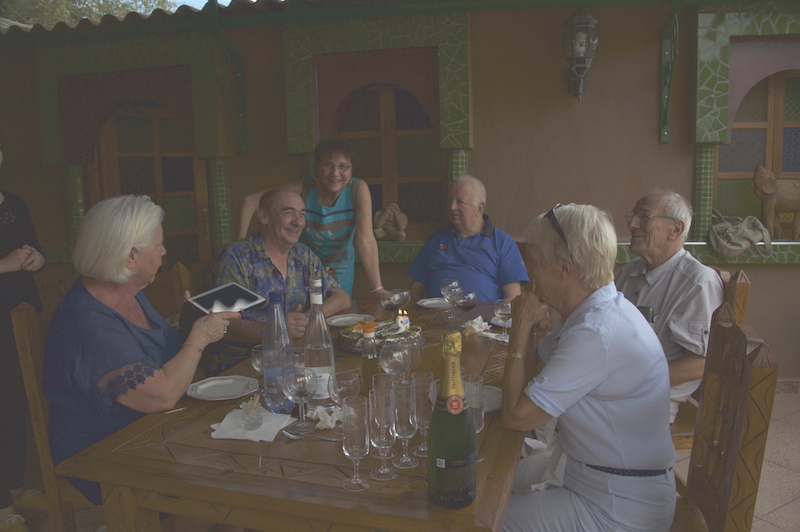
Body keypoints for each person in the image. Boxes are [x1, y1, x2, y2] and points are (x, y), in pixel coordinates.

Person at [43, 195, 239, 532]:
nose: (164, 252)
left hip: (157, 432)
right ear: (131, 257)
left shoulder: (128, 291)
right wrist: (200, 336)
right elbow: (159, 395)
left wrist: (190, 321)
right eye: (159, 245)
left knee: (243, 460)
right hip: (106, 453)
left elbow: (157, 354)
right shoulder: (88, 321)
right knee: (224, 491)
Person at [502, 203, 675, 532]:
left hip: (620, 508)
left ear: (565, 269)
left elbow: (515, 417)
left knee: (483, 514)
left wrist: (519, 328)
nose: (529, 273)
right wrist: (530, 326)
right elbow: (534, 372)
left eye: (534, 261)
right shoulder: (591, 310)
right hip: (594, 477)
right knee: (484, 480)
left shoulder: (596, 333)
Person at [211, 188, 351, 373]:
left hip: (293, 357)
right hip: (244, 363)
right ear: (263, 216)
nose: (298, 222)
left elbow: (342, 298)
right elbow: (221, 324)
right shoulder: (237, 258)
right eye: (288, 213)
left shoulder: (303, 255)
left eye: (302, 214)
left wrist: (309, 318)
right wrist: (277, 330)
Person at [615, 190, 724, 423]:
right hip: (614, 387)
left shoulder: (697, 282)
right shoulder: (629, 272)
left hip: (647, 401)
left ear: (675, 229)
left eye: (644, 216)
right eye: (633, 215)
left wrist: (629, 380)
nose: (632, 224)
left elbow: (700, 364)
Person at [237, 138, 386, 299]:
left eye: (343, 166)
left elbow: (365, 239)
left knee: (338, 309)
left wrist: (377, 289)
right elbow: (249, 202)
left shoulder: (357, 189)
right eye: (328, 165)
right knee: (302, 314)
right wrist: (240, 249)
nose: (335, 173)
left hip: (341, 268)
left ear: (351, 170)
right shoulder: (305, 188)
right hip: (303, 268)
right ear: (318, 168)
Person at [0, 142, 47, 532]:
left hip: (20, 317)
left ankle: (15, 486)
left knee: (17, 402)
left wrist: (37, 259)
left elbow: (37, 250)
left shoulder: (13, 202)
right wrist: (7, 265)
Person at [407, 175, 528, 302]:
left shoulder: (502, 242)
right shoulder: (437, 238)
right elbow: (416, 289)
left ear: (480, 208)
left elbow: (513, 297)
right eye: (450, 200)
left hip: (483, 320)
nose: (452, 207)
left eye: (460, 202)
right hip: (435, 319)